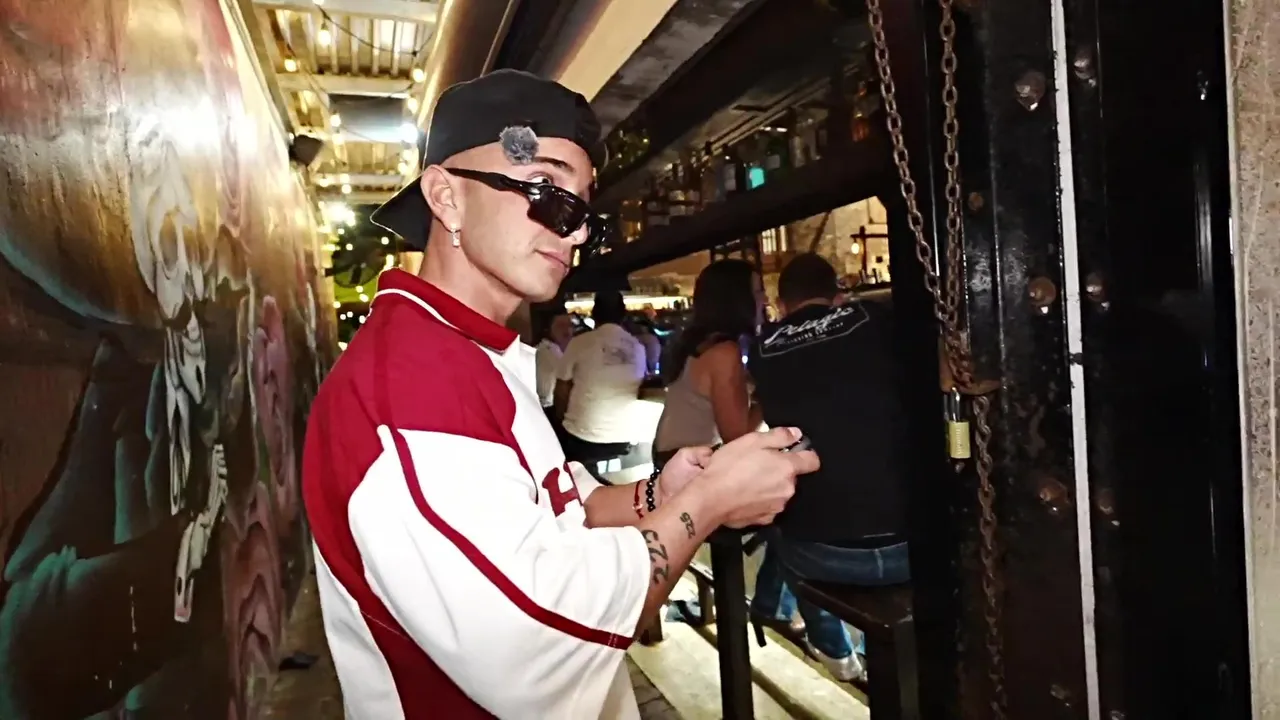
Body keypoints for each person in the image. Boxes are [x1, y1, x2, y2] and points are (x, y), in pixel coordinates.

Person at [300, 69, 820, 720]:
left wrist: (662, 493)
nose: (574, 233)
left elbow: (560, 508)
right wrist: (708, 504)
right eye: (547, 191)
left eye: (583, 212)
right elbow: (535, 645)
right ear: (446, 197)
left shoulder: (475, 355)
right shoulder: (409, 386)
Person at [746, 253, 910, 685]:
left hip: (822, 556)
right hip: (913, 547)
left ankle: (829, 645)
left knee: (779, 534)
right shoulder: (873, 317)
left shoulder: (763, 348)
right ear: (838, 296)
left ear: (782, 304)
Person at [652, 259, 766, 467]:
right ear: (739, 300)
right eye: (758, 292)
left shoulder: (696, 343)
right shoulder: (724, 352)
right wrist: (766, 395)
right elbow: (737, 438)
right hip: (687, 466)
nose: (764, 300)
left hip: (671, 457)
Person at [555, 290, 647, 464]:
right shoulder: (638, 347)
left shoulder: (580, 342)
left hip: (581, 436)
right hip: (623, 437)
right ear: (623, 316)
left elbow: (561, 388)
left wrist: (559, 420)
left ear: (594, 314)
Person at [535, 309, 574, 412]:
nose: (567, 330)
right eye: (561, 326)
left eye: (570, 325)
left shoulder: (564, 351)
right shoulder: (544, 351)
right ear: (548, 329)